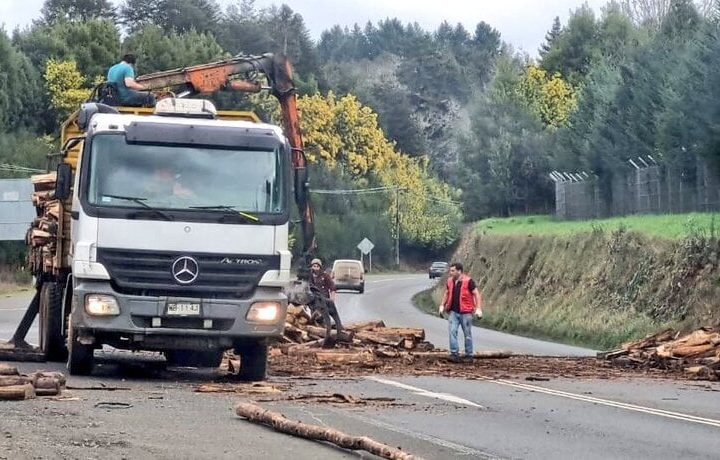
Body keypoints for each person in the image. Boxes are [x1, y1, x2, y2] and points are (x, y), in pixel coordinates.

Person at [438, 262, 483, 362]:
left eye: (453, 271)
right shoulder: (450, 281)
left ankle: (469, 355)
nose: (451, 272)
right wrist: (442, 305)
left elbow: (476, 294)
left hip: (466, 312)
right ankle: (454, 353)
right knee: (452, 331)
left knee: (467, 333)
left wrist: (478, 308)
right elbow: (447, 293)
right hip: (453, 312)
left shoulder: (468, 281)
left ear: (459, 271)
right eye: (450, 270)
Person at [309, 258, 344, 344]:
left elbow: (332, 287)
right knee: (314, 317)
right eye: (314, 266)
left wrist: (332, 299)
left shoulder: (325, 276)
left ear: (320, 267)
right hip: (314, 301)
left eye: (317, 266)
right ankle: (316, 334)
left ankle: (334, 335)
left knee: (326, 319)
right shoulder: (310, 277)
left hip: (324, 300)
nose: (315, 268)